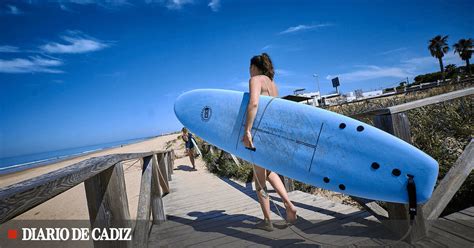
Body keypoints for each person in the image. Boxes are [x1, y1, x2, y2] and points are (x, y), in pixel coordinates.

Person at [241, 53, 297, 231]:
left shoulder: (256, 80)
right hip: (272, 135)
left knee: (259, 181)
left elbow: (254, 104)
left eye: (250, 68)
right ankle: (288, 204)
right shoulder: (274, 85)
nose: (249, 71)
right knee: (269, 172)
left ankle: (267, 221)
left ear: (255, 67)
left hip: (259, 135)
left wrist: (247, 130)